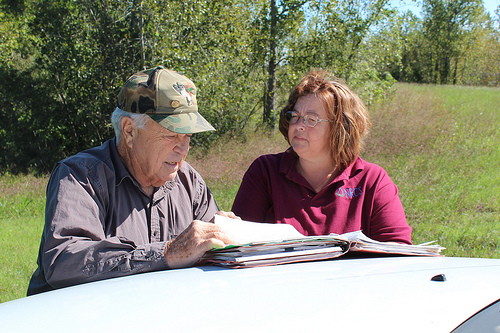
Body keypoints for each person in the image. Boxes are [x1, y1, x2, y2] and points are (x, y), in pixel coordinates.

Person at [28, 67, 237, 295]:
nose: (183, 149)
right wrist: (167, 253)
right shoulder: (80, 176)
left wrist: (226, 237)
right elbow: (63, 262)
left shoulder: (189, 181)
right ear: (129, 131)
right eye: (171, 135)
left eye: (188, 136)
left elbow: (212, 252)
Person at [232, 69, 412, 244]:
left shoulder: (372, 180)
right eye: (295, 116)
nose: (299, 125)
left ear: (340, 129)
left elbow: (398, 251)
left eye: (311, 119)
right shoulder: (265, 172)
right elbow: (236, 244)